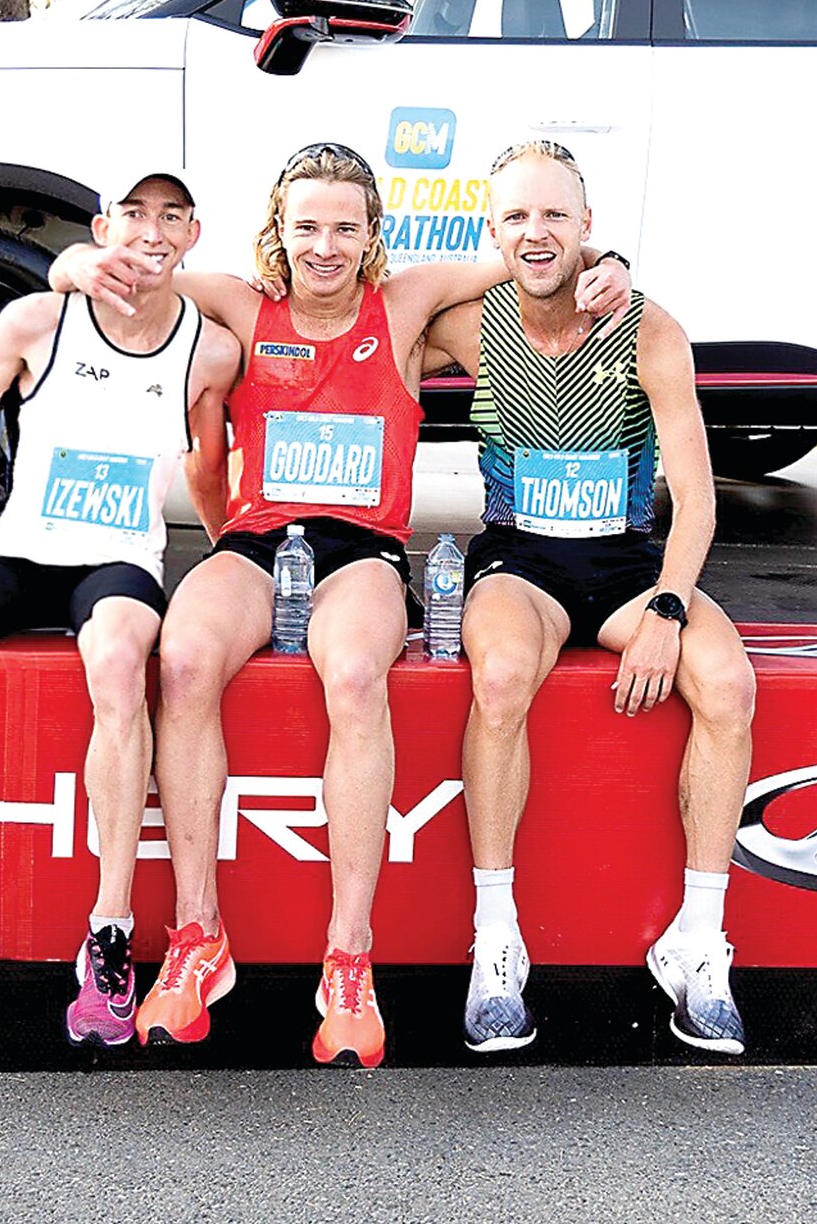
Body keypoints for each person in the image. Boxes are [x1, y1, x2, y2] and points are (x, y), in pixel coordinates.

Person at [51, 142, 630, 1067]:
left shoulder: (402, 306)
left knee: (358, 672)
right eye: (307, 225)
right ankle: (199, 936)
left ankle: (348, 957)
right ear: (278, 230)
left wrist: (608, 265)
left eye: (346, 228)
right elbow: (129, 277)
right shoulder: (244, 304)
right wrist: (74, 261)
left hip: (360, 549)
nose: (325, 245)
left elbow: (535, 256)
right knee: (186, 657)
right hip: (254, 541)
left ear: (371, 239)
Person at [0, 171, 239, 1047]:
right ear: (104, 226)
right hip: (19, 552)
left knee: (116, 663)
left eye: (171, 214)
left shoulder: (207, 350)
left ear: (193, 232)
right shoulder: (37, 319)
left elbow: (211, 466)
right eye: (134, 212)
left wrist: (230, 554)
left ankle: (109, 933)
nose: (151, 229)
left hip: (117, 563)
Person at [423, 139, 756, 1056]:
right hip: (521, 563)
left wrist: (668, 608)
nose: (537, 233)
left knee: (727, 683)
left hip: (625, 565)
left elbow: (697, 498)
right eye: (517, 217)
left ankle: (696, 939)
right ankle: (498, 936)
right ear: (493, 232)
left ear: (589, 226)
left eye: (554, 215)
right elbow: (358, 320)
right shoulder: (468, 324)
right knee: (499, 678)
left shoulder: (648, 329)